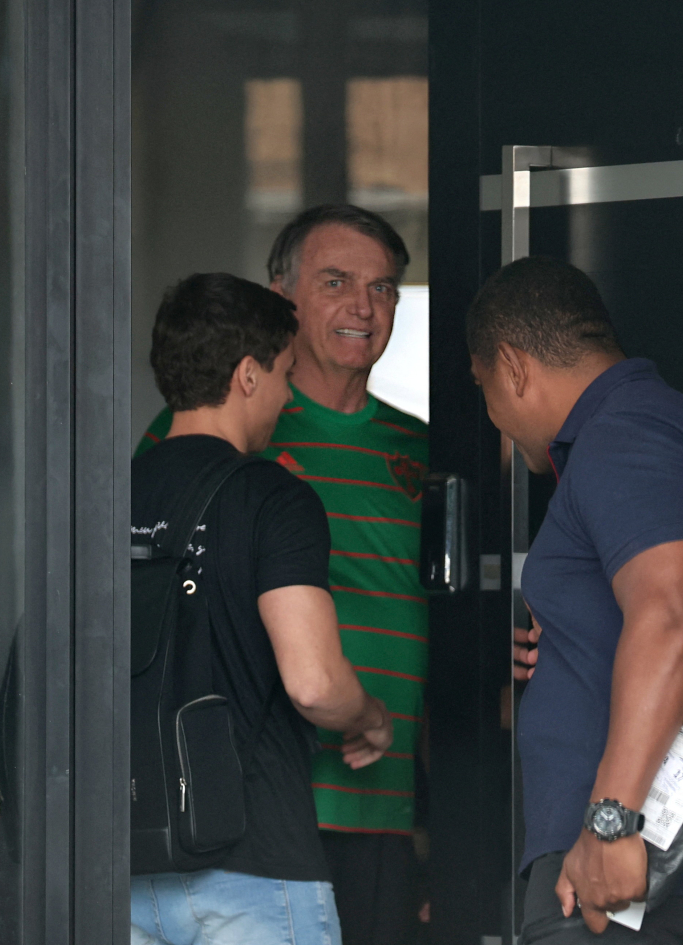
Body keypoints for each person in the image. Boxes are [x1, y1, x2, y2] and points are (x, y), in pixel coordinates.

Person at [136, 206, 430, 945]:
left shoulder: (429, 449)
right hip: (237, 806)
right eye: (336, 281)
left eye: (385, 287)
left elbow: (466, 604)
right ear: (282, 298)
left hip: (384, 807)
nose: (364, 306)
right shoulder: (207, 446)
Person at [468, 257, 683, 944]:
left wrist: (609, 821)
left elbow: (672, 616)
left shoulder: (625, 437)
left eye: (485, 386)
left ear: (513, 367)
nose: (493, 415)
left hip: (619, 874)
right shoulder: (655, 434)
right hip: (645, 866)